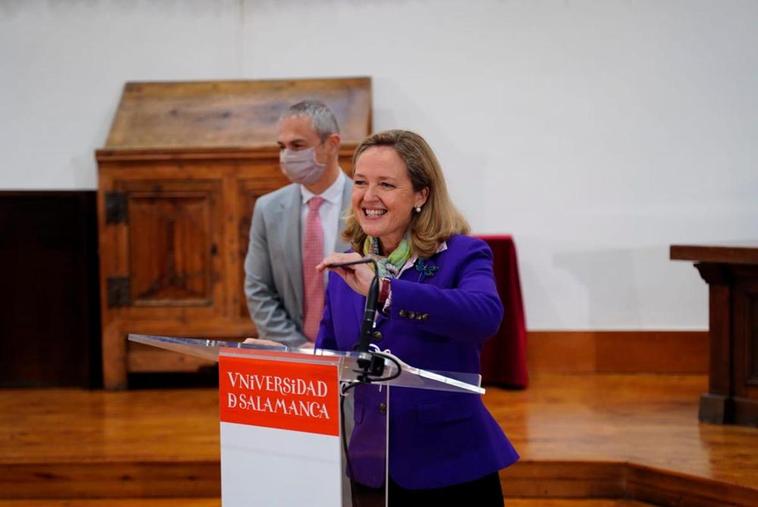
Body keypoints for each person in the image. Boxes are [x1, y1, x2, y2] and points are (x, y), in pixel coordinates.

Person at [315, 130, 519, 505]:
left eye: (386, 184)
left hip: (450, 464)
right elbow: (328, 358)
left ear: (421, 195)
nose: (368, 197)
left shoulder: (463, 254)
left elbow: (485, 316)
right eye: (360, 182)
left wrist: (387, 292)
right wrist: (278, 359)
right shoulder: (347, 265)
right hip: (369, 465)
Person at [244, 100, 353, 347]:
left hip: (352, 353)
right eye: (282, 147)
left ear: (332, 144)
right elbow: (258, 288)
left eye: (297, 145)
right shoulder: (267, 208)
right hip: (291, 355)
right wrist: (296, 346)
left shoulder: (366, 205)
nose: (286, 156)